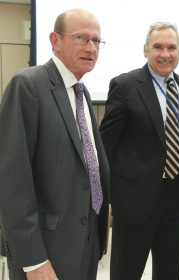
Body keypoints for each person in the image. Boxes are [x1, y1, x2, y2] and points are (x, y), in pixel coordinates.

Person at [0, 8, 109, 280]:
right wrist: (32, 260)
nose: (91, 47)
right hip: (47, 250)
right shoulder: (28, 86)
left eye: (96, 41)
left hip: (86, 242)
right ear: (55, 40)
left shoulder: (80, 93)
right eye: (81, 38)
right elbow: (12, 181)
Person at [99, 22, 179, 279]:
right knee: (127, 271)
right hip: (134, 198)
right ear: (145, 50)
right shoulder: (125, 85)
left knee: (170, 270)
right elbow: (106, 145)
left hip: (176, 193)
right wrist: (106, 196)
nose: (165, 53)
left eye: (172, 47)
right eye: (158, 47)